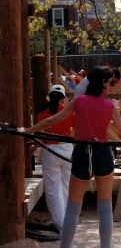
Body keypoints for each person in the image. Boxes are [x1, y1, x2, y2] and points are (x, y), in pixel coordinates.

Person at [21, 66, 121, 248]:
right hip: (103, 154)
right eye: (108, 82)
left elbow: (51, 121)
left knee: (73, 208)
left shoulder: (78, 102)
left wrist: (28, 132)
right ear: (101, 83)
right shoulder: (109, 106)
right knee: (104, 206)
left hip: (82, 153)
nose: (111, 85)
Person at [37, 85, 76, 229]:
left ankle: (58, 221)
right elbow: (76, 130)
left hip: (50, 149)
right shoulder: (69, 111)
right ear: (63, 98)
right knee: (66, 185)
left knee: (53, 187)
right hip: (66, 149)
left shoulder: (42, 111)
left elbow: (40, 133)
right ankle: (68, 219)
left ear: (50, 96)